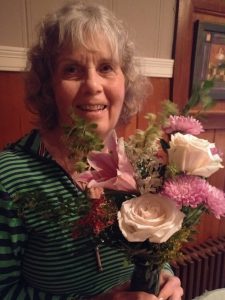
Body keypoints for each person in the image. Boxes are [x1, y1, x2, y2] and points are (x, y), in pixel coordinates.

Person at [0, 1, 183, 299]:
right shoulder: (8, 178)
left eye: (106, 67)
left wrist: (164, 275)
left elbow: (152, 249)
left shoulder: (140, 165)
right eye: (72, 69)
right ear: (48, 86)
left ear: (126, 81)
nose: (92, 85)